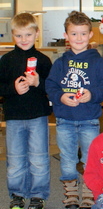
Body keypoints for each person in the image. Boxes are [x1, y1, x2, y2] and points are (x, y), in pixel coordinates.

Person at [46, 11, 103, 209]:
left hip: (89, 120)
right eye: (74, 34)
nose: (79, 38)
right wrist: (61, 97)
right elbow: (50, 86)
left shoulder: (97, 61)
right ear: (66, 35)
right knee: (67, 158)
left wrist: (91, 95)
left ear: (90, 35)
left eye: (83, 33)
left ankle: (89, 190)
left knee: (90, 158)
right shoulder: (60, 62)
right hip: (65, 119)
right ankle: (71, 192)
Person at [0, 13, 53, 209]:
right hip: (14, 117)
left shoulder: (44, 60)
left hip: (38, 116)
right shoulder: (6, 60)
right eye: (19, 35)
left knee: (39, 158)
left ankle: (39, 194)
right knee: (15, 159)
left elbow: (52, 89)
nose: (24, 40)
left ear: (36, 34)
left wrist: (38, 83)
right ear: (12, 35)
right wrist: (13, 89)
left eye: (28, 35)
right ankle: (17, 194)